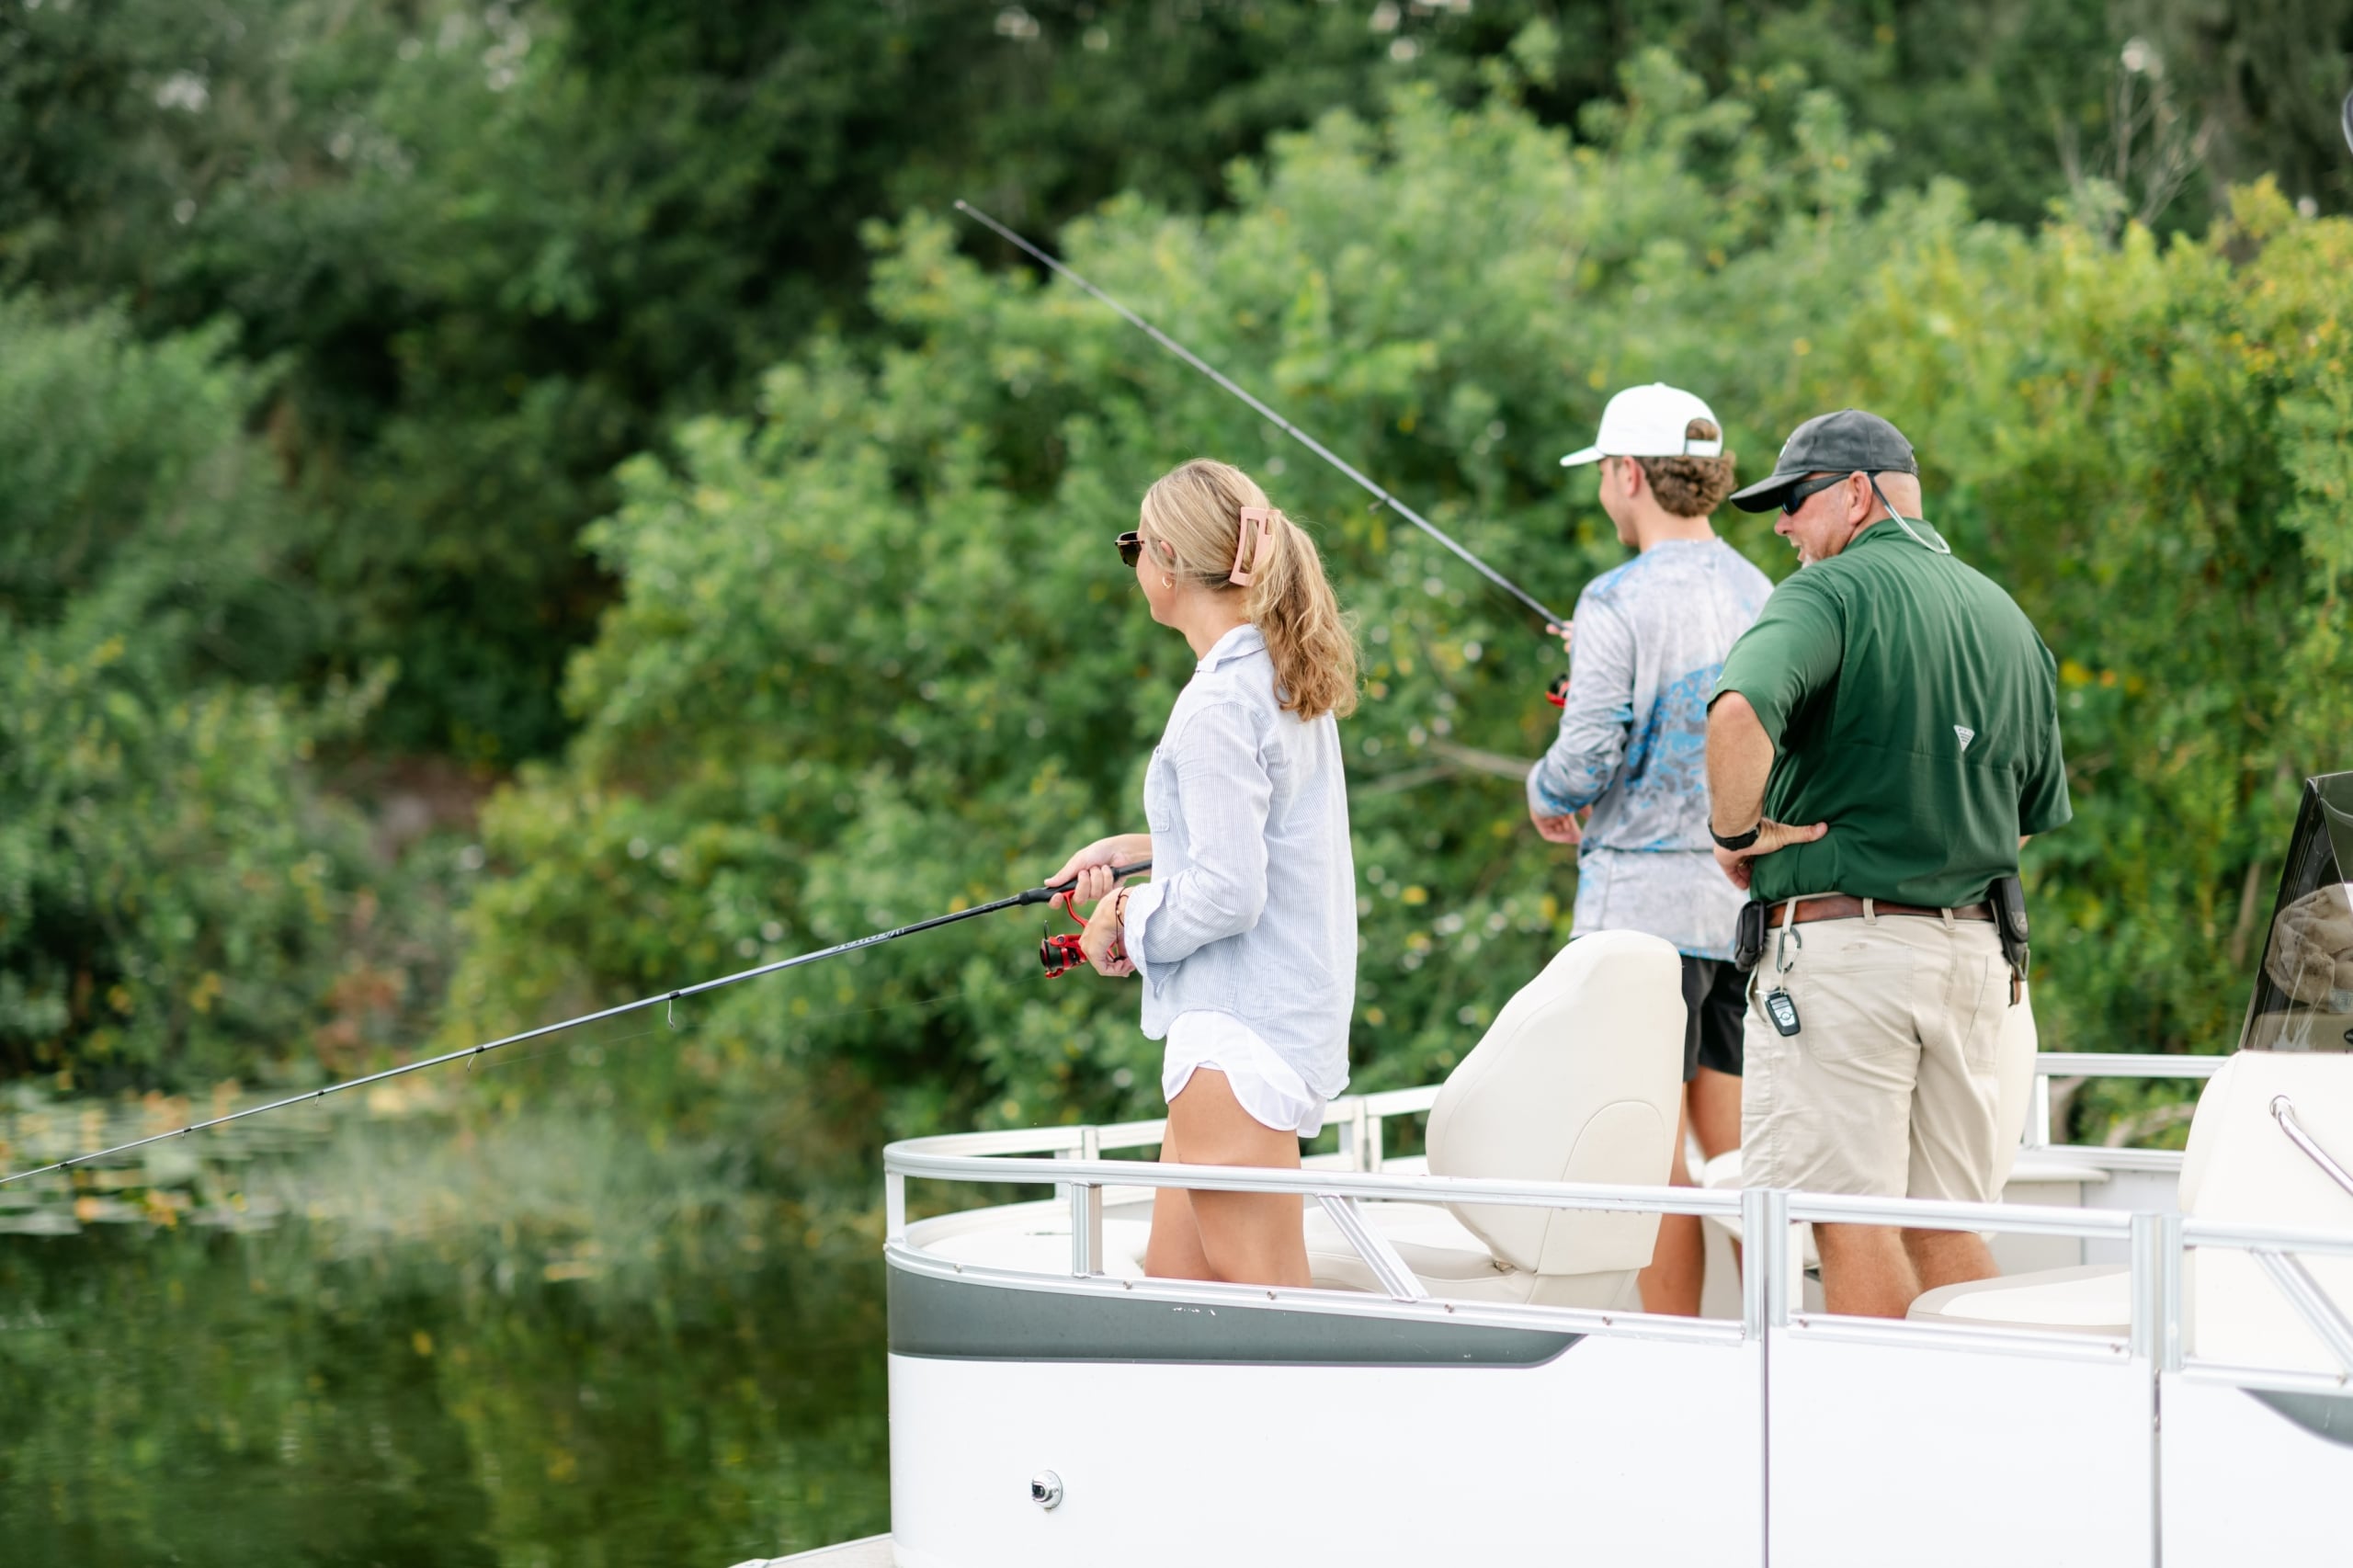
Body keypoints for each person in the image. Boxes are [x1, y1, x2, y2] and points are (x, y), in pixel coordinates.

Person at [1704, 409, 2071, 1320]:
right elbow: (2023, 821)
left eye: (1793, 501)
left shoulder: (1826, 593)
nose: (1783, 524)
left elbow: (1737, 713)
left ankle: (1878, 1435)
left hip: (1845, 955)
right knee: (1940, 1220)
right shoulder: (2007, 617)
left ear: (1857, 492)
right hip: (1976, 960)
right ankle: (1993, 1411)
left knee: (1845, 1219)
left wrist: (1737, 833)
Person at [1047, 458, 1358, 1288]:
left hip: (1236, 1042)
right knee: (1176, 1296)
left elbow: (1230, 889)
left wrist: (1124, 922)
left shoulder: (1219, 702)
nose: (1133, 565)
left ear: (1170, 561)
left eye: (1131, 548)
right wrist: (1138, 850)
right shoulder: (1278, 676)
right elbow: (1269, 837)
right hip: (1252, 1033)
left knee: (1276, 1320)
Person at [1530, 382, 1772, 1316]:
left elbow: (1586, 755)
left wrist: (1543, 794)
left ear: (1627, 473)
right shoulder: (1762, 591)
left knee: (1651, 1159)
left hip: (1638, 925)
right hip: (1740, 910)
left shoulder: (1614, 598)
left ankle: (1672, 1356)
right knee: (1741, 1157)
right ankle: (1769, 1347)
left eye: (1602, 473)